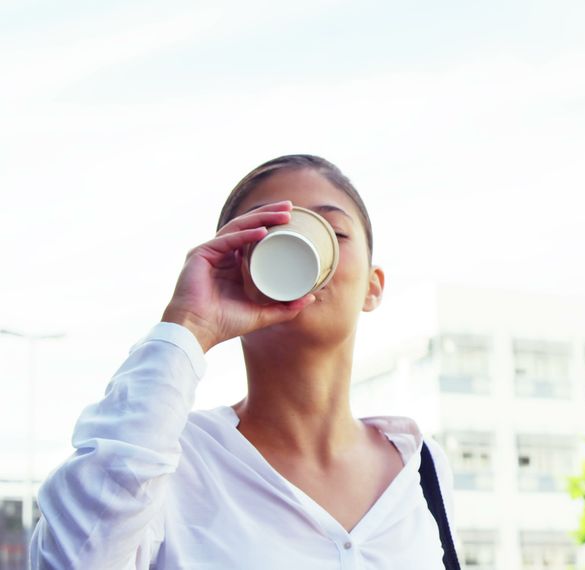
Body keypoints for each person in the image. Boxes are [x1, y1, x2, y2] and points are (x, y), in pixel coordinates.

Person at [28, 155, 459, 569]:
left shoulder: (421, 467)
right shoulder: (168, 463)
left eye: (334, 232)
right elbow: (71, 560)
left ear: (373, 286)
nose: (301, 245)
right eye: (267, 231)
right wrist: (189, 324)